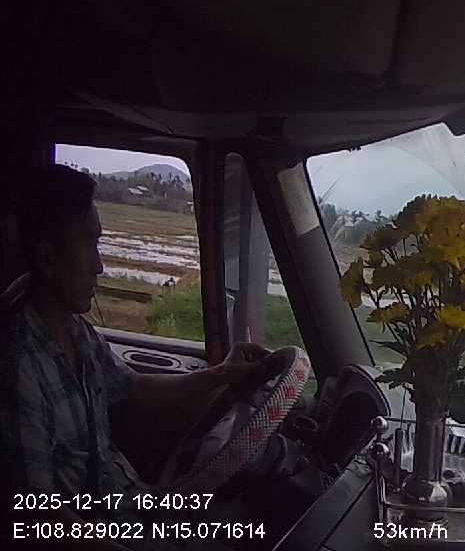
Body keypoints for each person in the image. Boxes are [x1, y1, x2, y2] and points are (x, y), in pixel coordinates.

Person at [0, 165, 267, 538]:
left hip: (134, 505)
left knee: (246, 522)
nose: (99, 266)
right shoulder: (17, 366)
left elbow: (133, 389)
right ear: (48, 258)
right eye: (89, 243)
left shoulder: (77, 332)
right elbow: (38, 519)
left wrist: (221, 374)